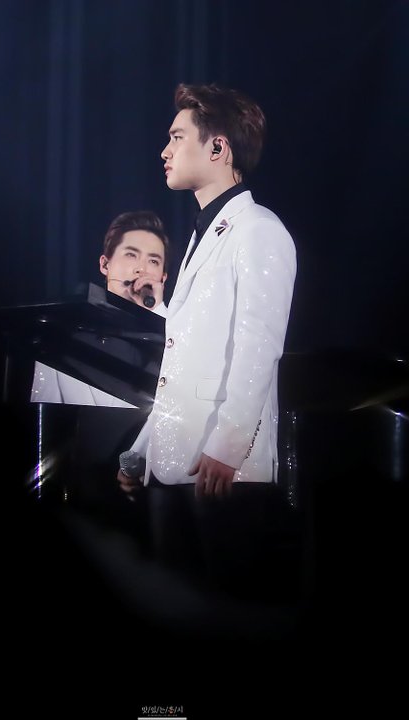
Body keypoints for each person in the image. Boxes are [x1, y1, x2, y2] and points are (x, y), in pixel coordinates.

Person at [117, 83, 298, 603]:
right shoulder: (204, 236)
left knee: (227, 613)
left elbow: (260, 345)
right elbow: (181, 365)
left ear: (218, 147)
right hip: (173, 466)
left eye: (177, 137)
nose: (165, 150)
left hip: (221, 472)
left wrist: (228, 447)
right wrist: (140, 452)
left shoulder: (258, 229)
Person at [30, 210, 169, 406]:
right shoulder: (62, 336)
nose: (141, 268)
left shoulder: (179, 336)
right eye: (131, 255)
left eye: (153, 261)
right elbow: (45, 409)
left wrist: (154, 312)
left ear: (163, 277)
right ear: (105, 264)